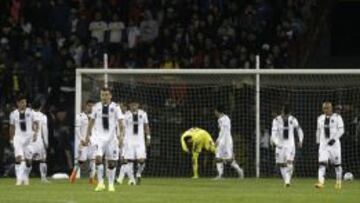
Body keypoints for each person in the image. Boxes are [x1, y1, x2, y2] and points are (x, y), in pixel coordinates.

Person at [84, 87, 125, 192]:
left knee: (112, 163)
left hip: (112, 139)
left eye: (106, 95)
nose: (104, 97)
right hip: (98, 138)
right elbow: (91, 122)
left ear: (110, 96)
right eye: (102, 95)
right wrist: (87, 136)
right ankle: (101, 183)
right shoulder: (96, 107)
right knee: (98, 158)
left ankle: (111, 184)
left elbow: (121, 123)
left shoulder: (116, 107)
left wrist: (121, 137)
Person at [9, 94, 39, 185]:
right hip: (18, 138)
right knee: (18, 158)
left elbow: (36, 123)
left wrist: (36, 134)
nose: (24, 104)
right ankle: (19, 179)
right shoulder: (13, 114)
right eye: (22, 102)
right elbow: (12, 127)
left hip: (29, 138)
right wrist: (11, 138)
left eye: (25, 102)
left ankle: (26, 176)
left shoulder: (31, 112)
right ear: (17, 103)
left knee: (29, 161)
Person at [119, 98, 150, 185]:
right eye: (132, 104)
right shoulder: (126, 115)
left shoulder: (143, 114)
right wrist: (122, 139)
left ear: (138, 105)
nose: (134, 106)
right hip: (129, 141)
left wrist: (148, 137)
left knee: (141, 160)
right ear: (129, 106)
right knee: (129, 161)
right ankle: (132, 179)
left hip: (140, 141)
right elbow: (123, 128)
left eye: (135, 104)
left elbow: (146, 126)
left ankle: (138, 173)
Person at [271, 105, 304, 187]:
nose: (285, 117)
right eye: (283, 115)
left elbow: (299, 130)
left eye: (287, 115)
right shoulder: (276, 120)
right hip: (280, 145)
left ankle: (287, 181)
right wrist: (276, 143)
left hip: (290, 145)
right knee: (282, 164)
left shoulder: (293, 119)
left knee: (289, 162)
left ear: (289, 113)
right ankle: (286, 180)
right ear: (281, 112)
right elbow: (273, 134)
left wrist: (300, 140)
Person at [315, 102, 344, 189]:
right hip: (323, 145)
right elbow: (318, 131)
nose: (326, 110)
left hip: (334, 145)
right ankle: (321, 183)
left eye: (327, 108)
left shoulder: (337, 117)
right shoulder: (320, 118)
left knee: (337, 165)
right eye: (324, 108)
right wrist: (317, 142)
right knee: (322, 164)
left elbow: (341, 130)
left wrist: (334, 139)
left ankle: (338, 182)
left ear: (331, 108)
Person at [69, 99, 96, 184]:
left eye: (92, 106)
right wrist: (81, 139)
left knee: (93, 160)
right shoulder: (80, 116)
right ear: (86, 106)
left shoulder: (95, 117)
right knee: (81, 160)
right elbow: (77, 129)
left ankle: (91, 179)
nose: (91, 107)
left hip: (93, 142)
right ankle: (73, 175)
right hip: (83, 142)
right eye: (89, 106)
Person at [214, 106, 244, 179]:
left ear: (218, 111)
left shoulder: (223, 119)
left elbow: (223, 131)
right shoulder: (223, 118)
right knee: (218, 157)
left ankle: (239, 170)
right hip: (224, 141)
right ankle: (220, 175)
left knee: (229, 160)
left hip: (226, 141)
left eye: (215, 111)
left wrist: (218, 140)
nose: (214, 113)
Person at [29, 100, 50, 183]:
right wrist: (46, 142)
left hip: (28, 140)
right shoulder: (43, 116)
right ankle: (43, 178)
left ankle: (24, 177)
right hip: (38, 141)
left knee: (27, 160)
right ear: (41, 107)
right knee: (43, 159)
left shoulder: (27, 115)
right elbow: (45, 130)